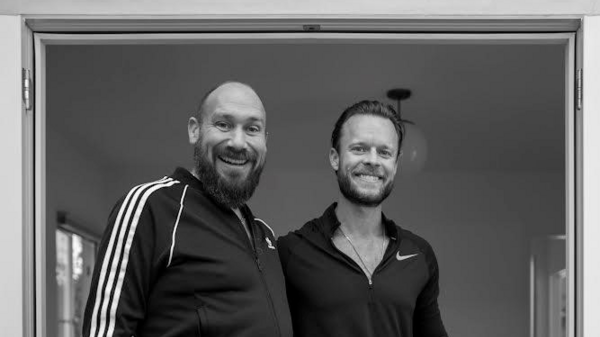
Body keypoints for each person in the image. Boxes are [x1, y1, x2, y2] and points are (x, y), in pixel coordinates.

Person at [82, 81, 293, 337]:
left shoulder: (265, 235)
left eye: (252, 129)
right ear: (195, 130)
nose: (238, 142)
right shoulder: (151, 207)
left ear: (265, 141)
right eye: (223, 124)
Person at [278, 100, 448, 337]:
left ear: (396, 165)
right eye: (359, 148)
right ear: (335, 158)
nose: (373, 160)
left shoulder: (419, 254)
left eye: (384, 152)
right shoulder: (291, 252)